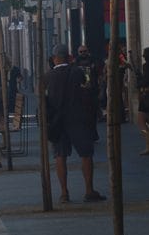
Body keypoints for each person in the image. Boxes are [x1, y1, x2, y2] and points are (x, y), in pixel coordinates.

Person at [45, 44, 105, 203]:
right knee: (86, 154)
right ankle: (89, 189)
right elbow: (87, 89)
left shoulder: (48, 76)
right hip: (77, 119)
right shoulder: (77, 72)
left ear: (54, 58)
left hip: (58, 122)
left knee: (60, 155)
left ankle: (64, 193)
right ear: (69, 57)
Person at [74, 45, 101, 125]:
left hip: (93, 86)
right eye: (81, 52)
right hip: (80, 87)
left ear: (88, 51)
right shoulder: (76, 61)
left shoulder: (93, 60)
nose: (83, 53)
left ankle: (95, 116)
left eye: (84, 51)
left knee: (94, 102)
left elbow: (98, 71)